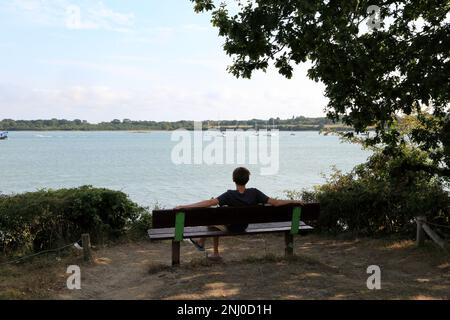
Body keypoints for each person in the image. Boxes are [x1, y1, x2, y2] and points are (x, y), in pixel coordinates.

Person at [174, 167, 304, 260]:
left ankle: (208, 247)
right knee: (216, 217)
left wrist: (185, 206)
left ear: (233, 179)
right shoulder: (255, 193)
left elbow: (209, 202)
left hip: (231, 227)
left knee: (213, 218)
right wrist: (293, 200)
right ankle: (208, 247)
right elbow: (275, 203)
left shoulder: (229, 195)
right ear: (247, 180)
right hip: (243, 226)